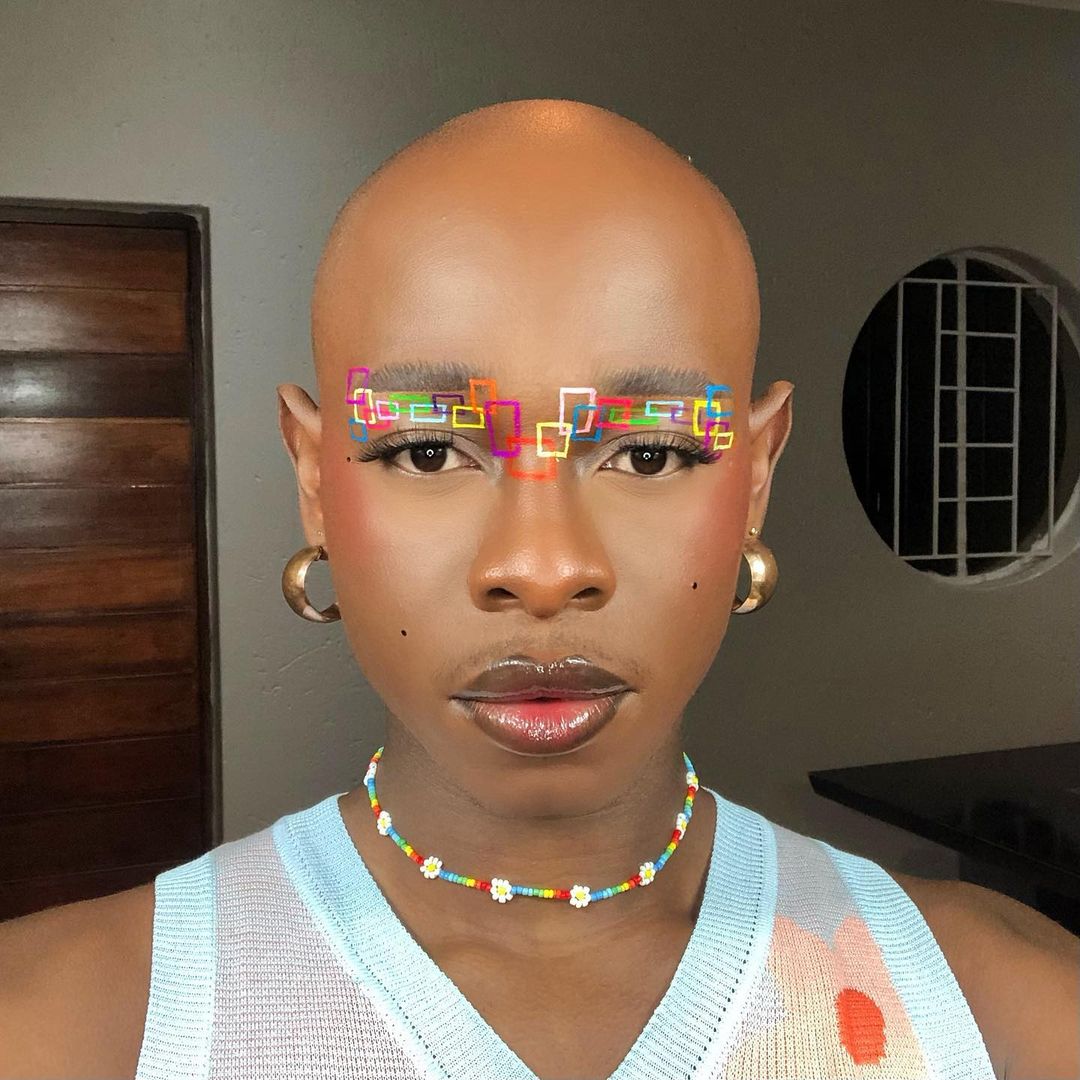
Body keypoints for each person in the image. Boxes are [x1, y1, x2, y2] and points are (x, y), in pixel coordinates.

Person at [1, 98, 1077, 1080]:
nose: (545, 568)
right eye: (428, 450)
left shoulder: (1010, 1010)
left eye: (649, 453)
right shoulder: (61, 1026)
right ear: (316, 482)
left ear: (753, 479)